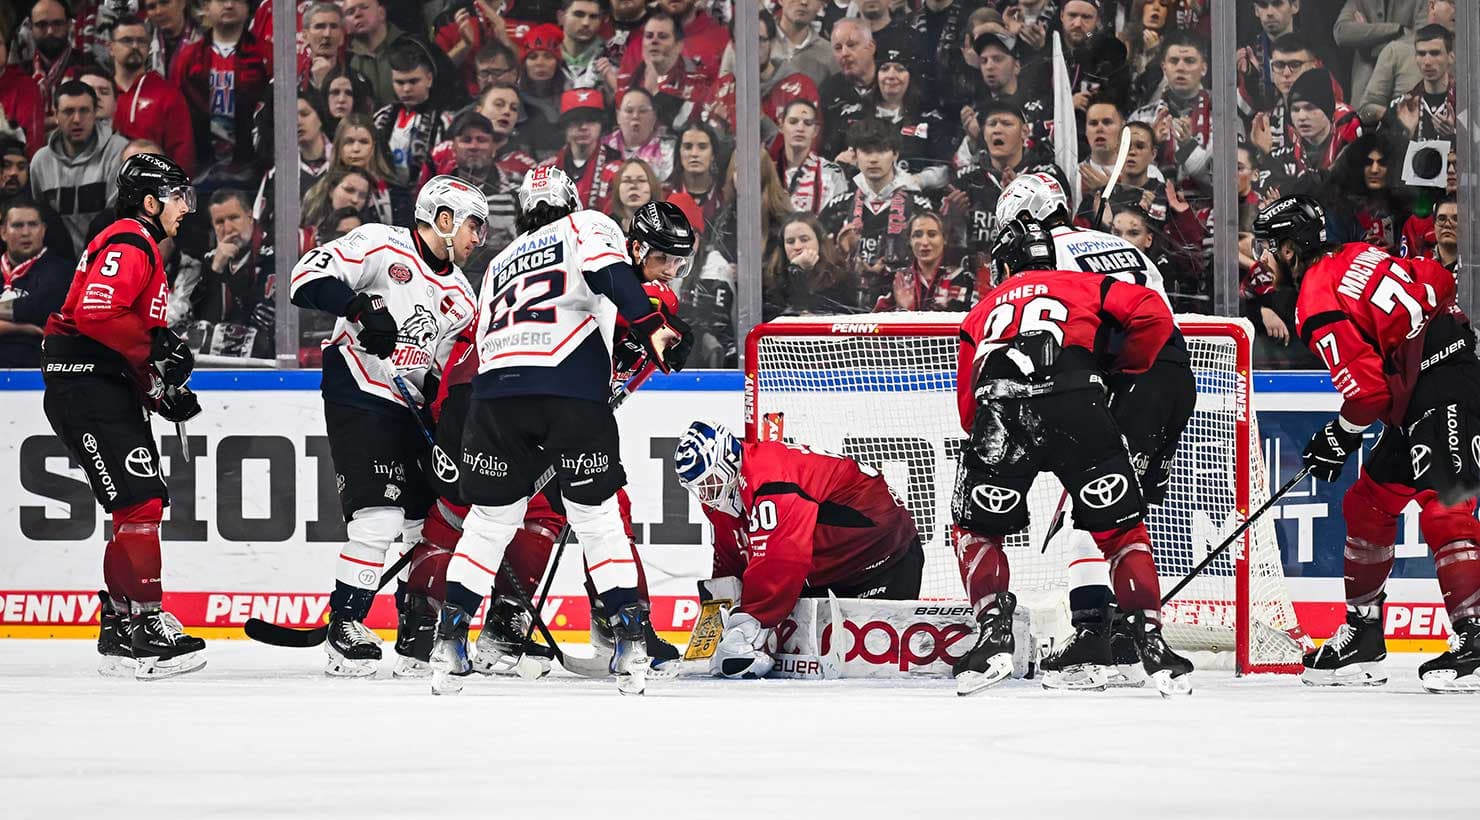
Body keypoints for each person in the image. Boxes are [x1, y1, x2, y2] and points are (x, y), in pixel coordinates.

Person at [429, 166, 684, 696]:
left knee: (489, 522)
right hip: (568, 386)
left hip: (494, 396)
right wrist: (650, 325)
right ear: (572, 200)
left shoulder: (498, 259)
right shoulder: (587, 224)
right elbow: (611, 275)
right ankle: (631, 642)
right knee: (599, 519)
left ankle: (449, 643)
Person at [951, 216, 1193, 696]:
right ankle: (1150, 642)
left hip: (1003, 415)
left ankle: (993, 640)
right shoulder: (1085, 284)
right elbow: (1154, 313)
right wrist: (1124, 365)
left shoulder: (980, 311)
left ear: (1005, 263)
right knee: (1121, 532)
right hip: (1079, 404)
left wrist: (993, 427)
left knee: (976, 529)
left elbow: (965, 407)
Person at [1254, 195, 1480, 692]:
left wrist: (1338, 435)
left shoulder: (1315, 299)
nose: (1264, 258)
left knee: (1446, 501)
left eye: (1270, 247)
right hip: (1430, 381)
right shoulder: (1359, 253)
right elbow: (1438, 279)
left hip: (1441, 384)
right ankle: (1364, 636)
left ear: (1292, 249)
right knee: (1368, 504)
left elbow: (1368, 392)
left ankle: (1475, 637)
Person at [288, 176, 485, 677]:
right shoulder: (380, 242)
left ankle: (417, 630)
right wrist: (358, 305)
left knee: (426, 527)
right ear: (443, 219)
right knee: (378, 518)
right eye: (472, 226)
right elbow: (305, 277)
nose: (477, 239)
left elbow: (445, 369)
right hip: (360, 393)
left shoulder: (463, 295)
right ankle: (345, 626)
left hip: (411, 409)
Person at [39, 152, 205, 679]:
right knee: (140, 504)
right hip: (86, 387)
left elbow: (113, 338)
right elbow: (94, 313)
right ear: (152, 201)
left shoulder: (140, 244)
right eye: (178, 196)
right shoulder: (131, 239)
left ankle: (120, 624)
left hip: (96, 385)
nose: (186, 207)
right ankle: (146, 624)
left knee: (136, 507)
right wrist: (157, 342)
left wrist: (159, 391)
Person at [673, 420, 923, 679]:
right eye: (698, 488)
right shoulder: (723, 495)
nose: (705, 494)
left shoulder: (772, 477)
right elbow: (732, 559)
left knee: (878, 665)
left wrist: (746, 625)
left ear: (728, 462)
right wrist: (717, 625)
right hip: (829, 572)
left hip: (885, 559)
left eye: (709, 481)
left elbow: (783, 557)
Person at [170, 0, 271, 187]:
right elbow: (176, 117)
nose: (229, 5)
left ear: (248, 7)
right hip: (200, 169)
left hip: (253, 169)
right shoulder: (188, 58)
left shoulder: (264, 55)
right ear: (206, 6)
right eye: (221, 0)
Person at [30, 80, 127, 252]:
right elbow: (40, 222)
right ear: (56, 115)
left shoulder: (118, 152)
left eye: (84, 111)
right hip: (59, 262)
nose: (76, 119)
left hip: (108, 254)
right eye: (68, 112)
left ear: (95, 112)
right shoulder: (41, 162)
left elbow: (117, 220)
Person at [187, 188, 274, 359]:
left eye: (234, 218)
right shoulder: (211, 260)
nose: (228, 229)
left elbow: (259, 322)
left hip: (264, 359)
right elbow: (201, 319)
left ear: (250, 217)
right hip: (217, 359)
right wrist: (216, 269)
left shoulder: (274, 255)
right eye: (219, 222)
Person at [109, 15, 195, 176]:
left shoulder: (168, 94)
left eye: (141, 41)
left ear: (149, 47)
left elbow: (182, 156)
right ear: (110, 47)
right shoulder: (99, 91)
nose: (135, 46)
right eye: (127, 40)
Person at [373, 42, 455, 190]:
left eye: (413, 81)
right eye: (399, 82)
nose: (406, 89)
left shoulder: (444, 122)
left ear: (429, 79)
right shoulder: (381, 117)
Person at [0, 197, 70, 366]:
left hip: (36, 367)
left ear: (43, 230)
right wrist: (23, 327)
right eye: (17, 225)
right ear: (3, 232)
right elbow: (31, 310)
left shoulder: (61, 270)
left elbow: (43, 308)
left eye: (32, 225)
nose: (25, 233)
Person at [764, 211, 859, 319]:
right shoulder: (773, 282)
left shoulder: (842, 279)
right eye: (790, 241)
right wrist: (796, 272)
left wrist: (798, 272)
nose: (797, 246)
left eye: (804, 239)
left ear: (819, 241)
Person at [142, 0, 201, 80]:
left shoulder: (207, 40)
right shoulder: (140, 42)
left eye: (165, 2)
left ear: (182, 3)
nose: (158, 11)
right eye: (151, 7)